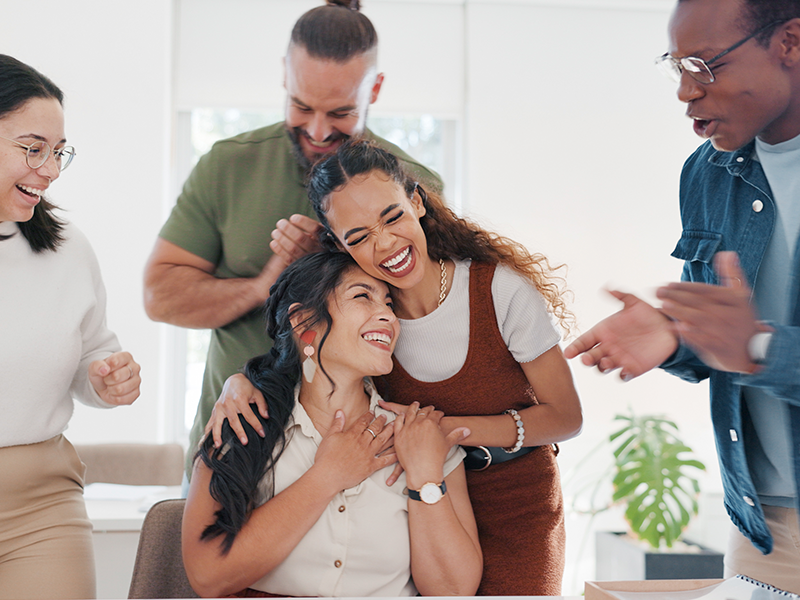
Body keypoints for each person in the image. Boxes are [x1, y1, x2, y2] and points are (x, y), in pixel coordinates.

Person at [210, 140, 583, 595]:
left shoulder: (500, 291)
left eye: (392, 217)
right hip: (416, 504)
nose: (385, 243)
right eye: (359, 236)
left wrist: (440, 434)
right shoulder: (369, 326)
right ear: (340, 245)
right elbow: (303, 351)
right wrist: (237, 382)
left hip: (514, 503)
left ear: (417, 200)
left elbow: (566, 417)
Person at [143, 0, 441, 478]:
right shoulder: (227, 165)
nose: (318, 130)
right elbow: (160, 298)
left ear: (376, 89)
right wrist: (266, 284)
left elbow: (430, 325)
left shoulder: (415, 189)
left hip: (367, 458)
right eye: (301, 107)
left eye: (341, 112)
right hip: (237, 447)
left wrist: (329, 263)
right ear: (284, 74)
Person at [565, 0, 800, 593]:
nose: (685, 92)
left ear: (790, 43)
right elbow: (727, 344)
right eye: (677, 67)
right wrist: (677, 336)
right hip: (763, 527)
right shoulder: (707, 173)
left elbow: (747, 344)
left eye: (703, 64)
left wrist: (754, 345)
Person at [182, 251, 481, 598]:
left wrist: (426, 477)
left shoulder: (421, 438)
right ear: (304, 322)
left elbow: (453, 591)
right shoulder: (241, 424)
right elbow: (207, 576)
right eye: (362, 296)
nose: (388, 315)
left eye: (388, 302)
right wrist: (327, 476)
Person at [0, 55, 142, 599]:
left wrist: (104, 377)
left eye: (58, 152)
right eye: (33, 148)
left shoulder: (65, 247)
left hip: (40, 506)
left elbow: (90, 354)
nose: (51, 169)